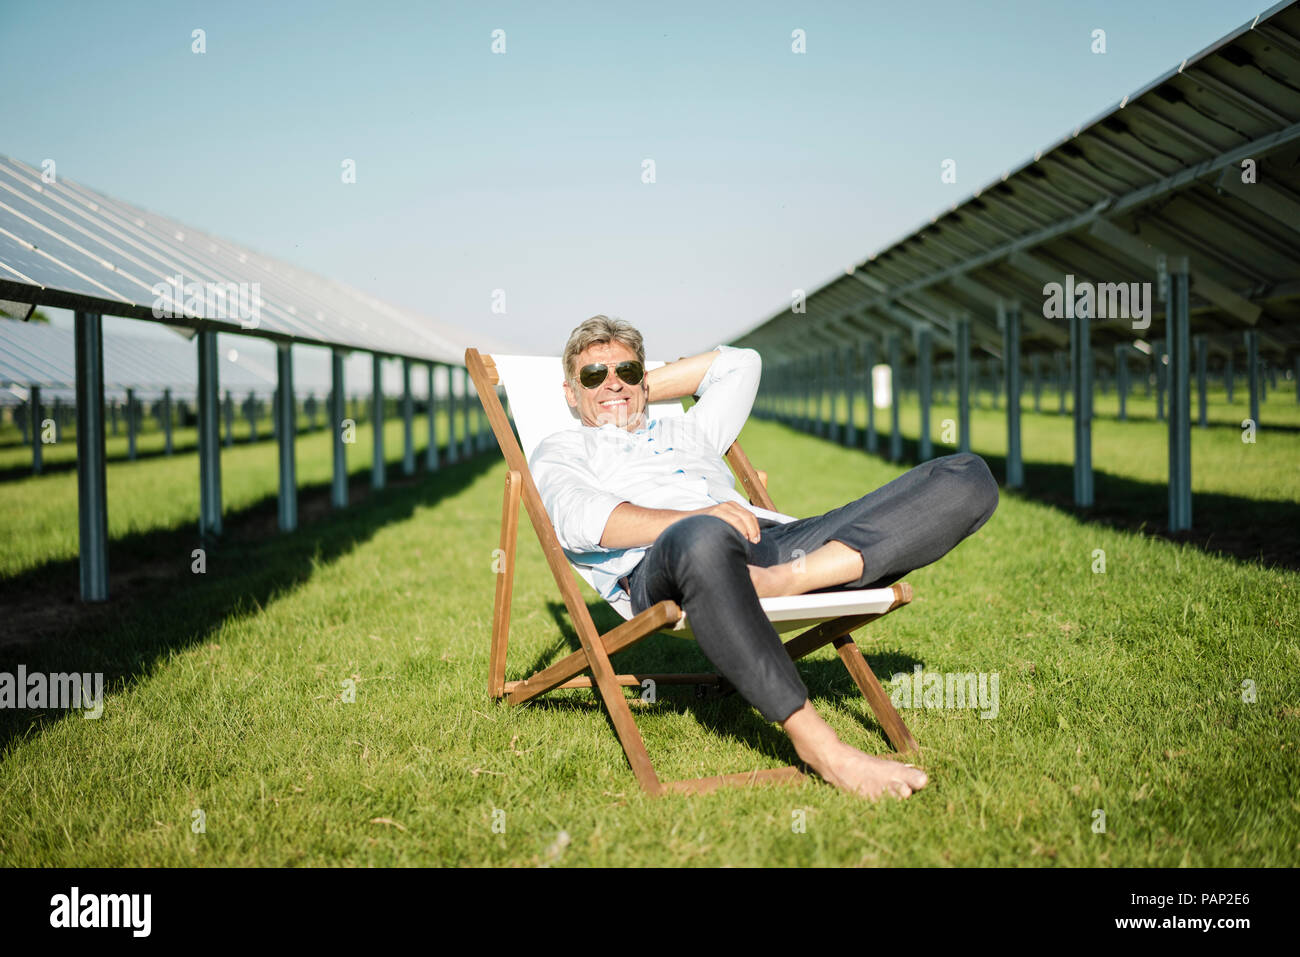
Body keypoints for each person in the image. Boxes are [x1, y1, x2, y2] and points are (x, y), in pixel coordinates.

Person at [530, 315, 999, 800]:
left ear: (645, 380)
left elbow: (741, 364)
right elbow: (581, 520)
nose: (612, 382)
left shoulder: (691, 430)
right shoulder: (562, 448)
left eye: (627, 372)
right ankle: (824, 749)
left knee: (968, 475)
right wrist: (698, 515)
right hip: (668, 561)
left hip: (772, 547)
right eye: (592, 376)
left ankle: (787, 579)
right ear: (569, 393)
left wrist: (633, 390)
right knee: (703, 534)